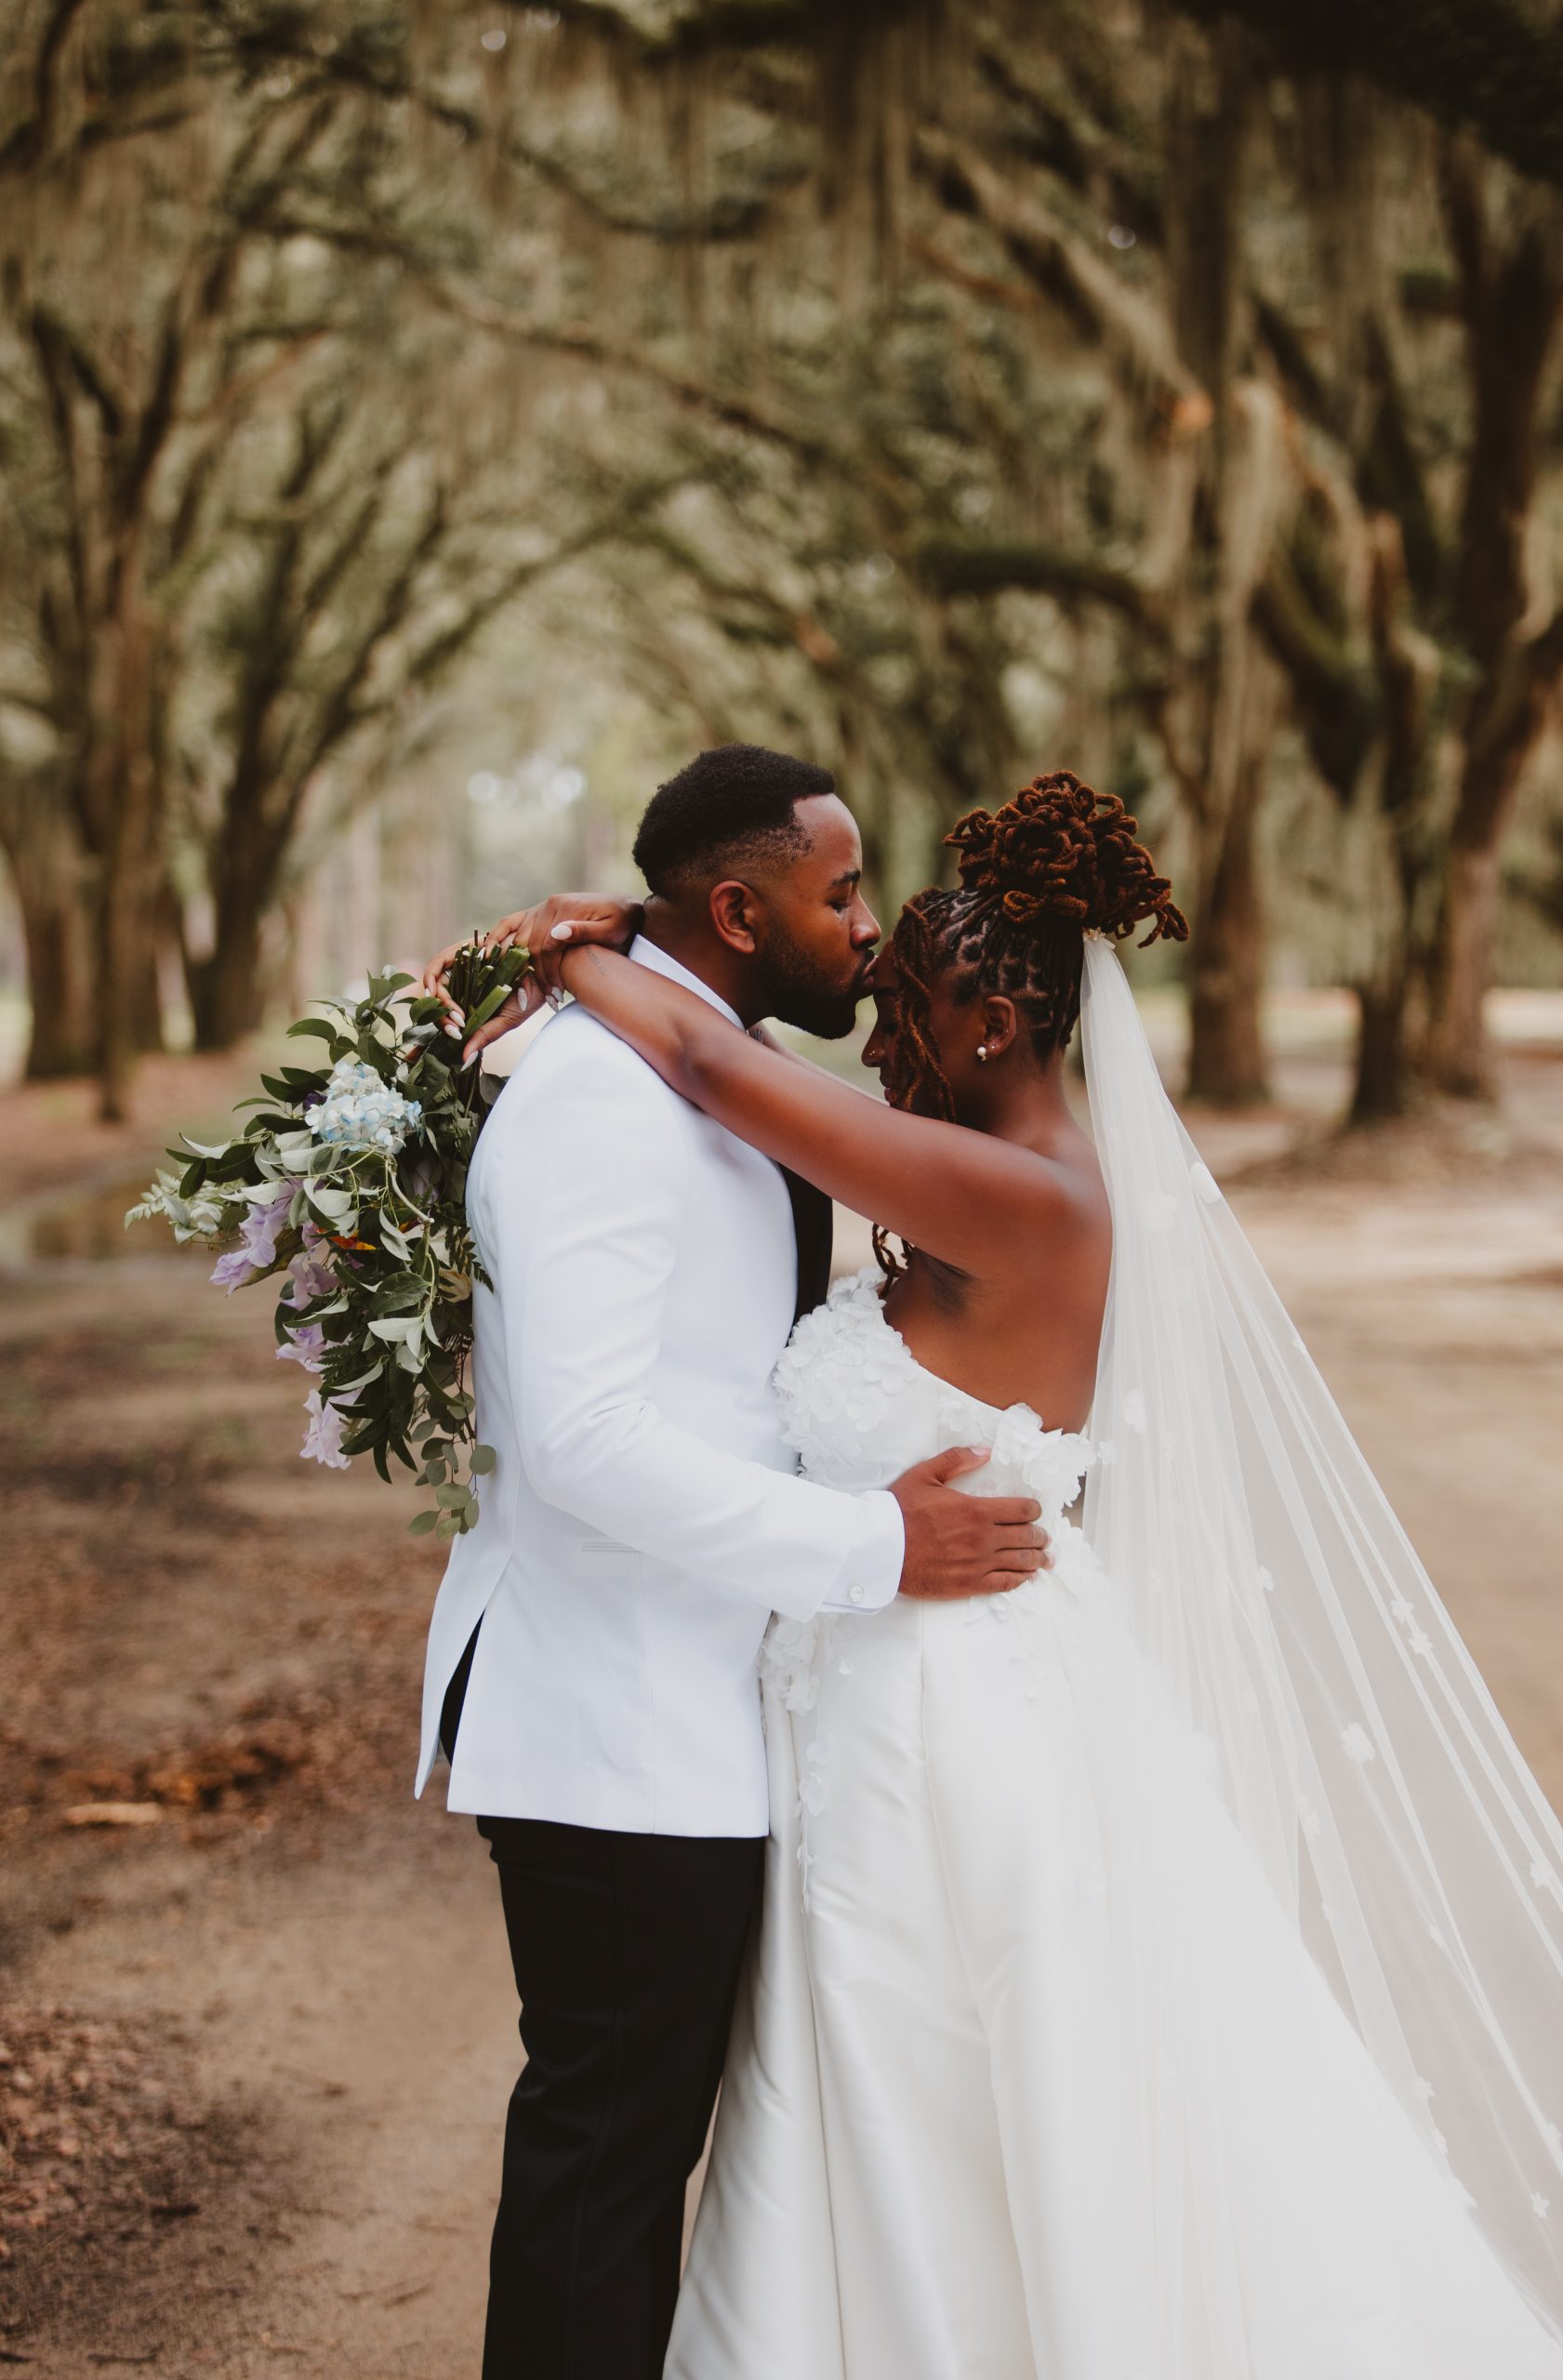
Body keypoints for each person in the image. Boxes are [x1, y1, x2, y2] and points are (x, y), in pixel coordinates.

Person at [453, 769, 1563, 2379]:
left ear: (992, 1025)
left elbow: (708, 1059)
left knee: (974, 2085)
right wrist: (629, 942)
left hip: (956, 1713)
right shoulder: (972, 1163)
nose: (872, 1022)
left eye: (899, 1004)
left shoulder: (1020, 1196)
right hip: (862, 1705)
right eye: (847, 916)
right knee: (879, 2099)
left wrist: (569, 945)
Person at [413, 743, 1051, 2380]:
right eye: (840, 894)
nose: (867, 926)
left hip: (688, 1705)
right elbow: (586, 1442)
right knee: (606, 2160)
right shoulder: (600, 1103)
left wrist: (605, 939)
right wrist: (872, 1540)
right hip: (611, 1715)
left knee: (634, 2158)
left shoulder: (698, 1066)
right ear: (741, 913)